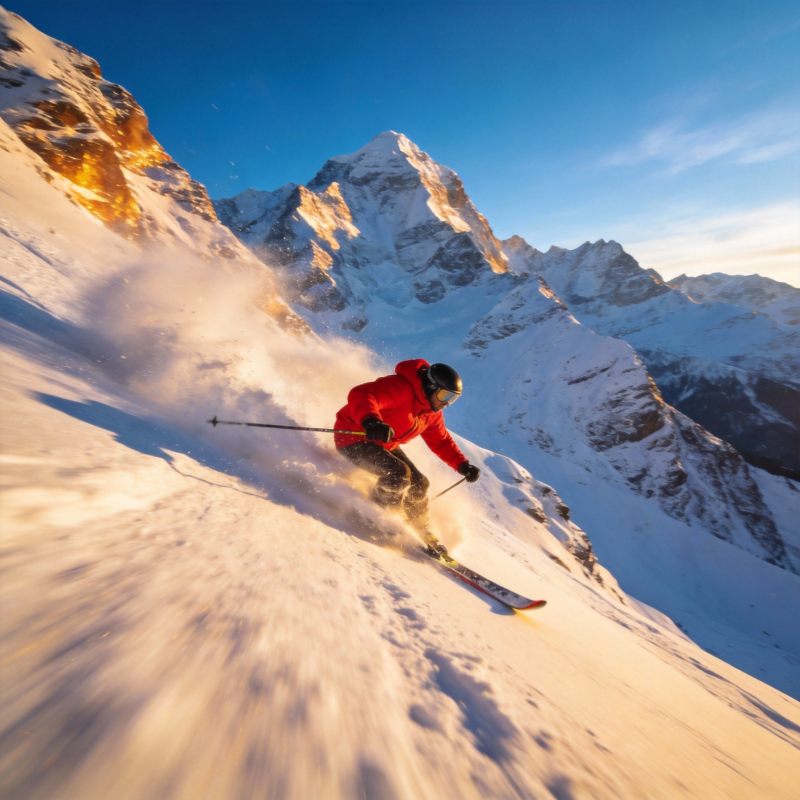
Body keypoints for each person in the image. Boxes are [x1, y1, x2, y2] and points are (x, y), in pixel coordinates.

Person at [334, 359, 481, 535]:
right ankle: (375, 514)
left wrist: (462, 465)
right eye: (445, 396)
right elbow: (362, 394)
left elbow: (441, 441)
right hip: (354, 437)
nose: (446, 403)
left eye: (453, 398)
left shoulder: (430, 413)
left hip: (384, 443)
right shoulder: (401, 389)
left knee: (420, 483)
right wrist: (371, 421)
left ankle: (418, 526)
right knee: (398, 474)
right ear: (432, 387)